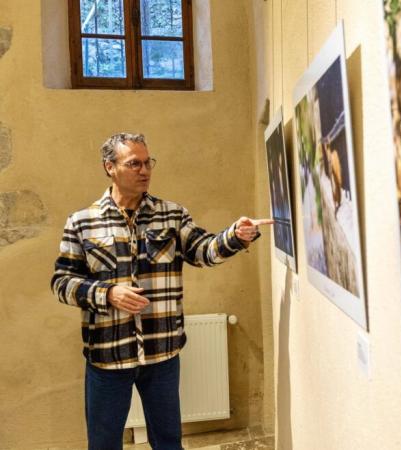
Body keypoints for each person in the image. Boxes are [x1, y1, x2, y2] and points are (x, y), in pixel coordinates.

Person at [50, 133, 272, 449]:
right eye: (134, 164)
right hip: (107, 356)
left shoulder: (172, 214)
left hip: (162, 353)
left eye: (148, 162)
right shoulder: (82, 222)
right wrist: (107, 293)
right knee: (103, 444)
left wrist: (236, 236)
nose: (145, 171)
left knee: (168, 442)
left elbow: (203, 250)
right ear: (109, 167)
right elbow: (62, 282)